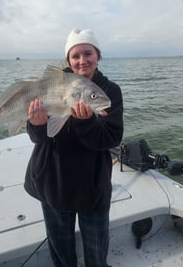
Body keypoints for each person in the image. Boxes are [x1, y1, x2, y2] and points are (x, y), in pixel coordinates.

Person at [24, 28, 124, 267]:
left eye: (87, 53)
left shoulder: (109, 92)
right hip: (53, 179)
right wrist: (36, 125)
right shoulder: (51, 86)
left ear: (97, 55)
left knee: (96, 252)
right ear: (68, 60)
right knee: (61, 252)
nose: (82, 60)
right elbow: (39, 137)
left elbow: (111, 138)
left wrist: (87, 122)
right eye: (75, 56)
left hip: (92, 185)